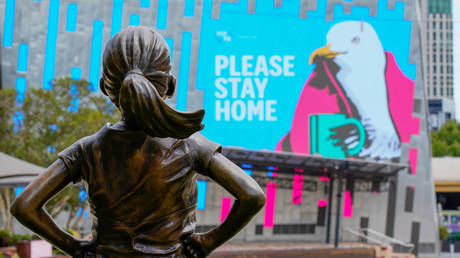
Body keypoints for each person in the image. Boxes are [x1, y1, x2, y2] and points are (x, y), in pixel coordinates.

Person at [11, 26, 266, 258]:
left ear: (104, 87)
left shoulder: (86, 150)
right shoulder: (190, 145)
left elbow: (24, 205)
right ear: (171, 85)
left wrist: (72, 246)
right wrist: (208, 242)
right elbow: (252, 195)